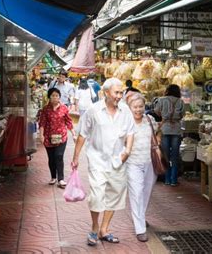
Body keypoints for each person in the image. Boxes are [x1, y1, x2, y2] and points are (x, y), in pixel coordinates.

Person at [72, 78, 135, 246]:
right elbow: (82, 134)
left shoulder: (125, 111)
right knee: (97, 196)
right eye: (116, 92)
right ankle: (94, 227)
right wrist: (75, 157)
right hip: (97, 160)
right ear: (106, 93)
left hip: (118, 160)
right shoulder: (93, 110)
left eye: (121, 92)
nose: (119, 96)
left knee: (114, 195)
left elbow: (130, 132)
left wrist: (127, 152)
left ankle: (104, 230)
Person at [125, 92, 160, 242]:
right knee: (136, 193)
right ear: (129, 108)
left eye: (141, 106)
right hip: (132, 162)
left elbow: (158, 133)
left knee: (146, 192)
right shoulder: (125, 122)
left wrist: (157, 142)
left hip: (150, 162)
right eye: (135, 107)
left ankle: (140, 216)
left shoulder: (150, 119)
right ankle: (140, 229)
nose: (138, 109)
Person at [38, 88, 76, 188]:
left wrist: (73, 133)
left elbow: (68, 121)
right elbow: (42, 122)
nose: (55, 98)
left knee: (59, 156)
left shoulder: (64, 108)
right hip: (48, 137)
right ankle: (53, 177)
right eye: (53, 96)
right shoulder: (46, 109)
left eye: (57, 96)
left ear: (59, 97)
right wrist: (41, 135)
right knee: (51, 158)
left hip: (61, 137)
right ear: (49, 97)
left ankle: (61, 179)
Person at [154, 84, 185, 186]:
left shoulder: (161, 100)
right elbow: (182, 114)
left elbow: (156, 111)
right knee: (175, 155)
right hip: (176, 129)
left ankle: (167, 179)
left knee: (166, 156)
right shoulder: (180, 101)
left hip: (165, 128)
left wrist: (164, 116)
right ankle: (173, 180)